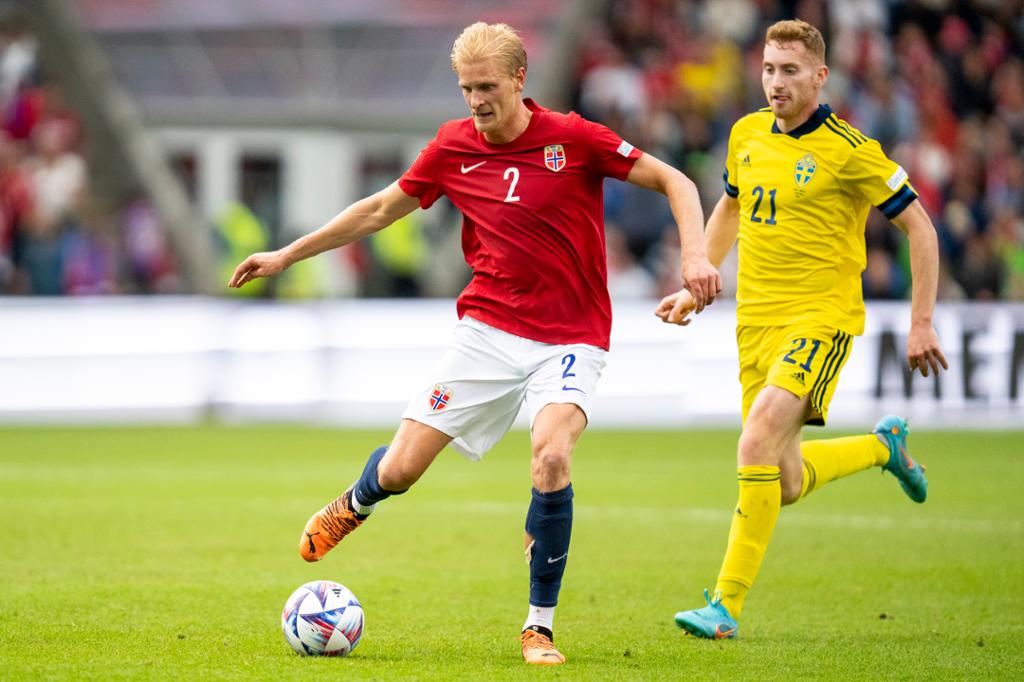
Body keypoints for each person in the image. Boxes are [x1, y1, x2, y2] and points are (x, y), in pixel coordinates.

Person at [229, 22, 721, 664]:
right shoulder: (453, 147)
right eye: (466, 89)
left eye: (487, 87)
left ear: (520, 80)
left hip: (571, 337)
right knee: (401, 470)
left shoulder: (573, 138)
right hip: (486, 332)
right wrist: (287, 256)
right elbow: (379, 210)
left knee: (551, 457)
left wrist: (693, 257)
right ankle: (355, 502)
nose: (476, 101)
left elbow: (678, 183)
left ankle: (538, 626)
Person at [655, 19, 948, 640]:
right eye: (768, 69)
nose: (775, 83)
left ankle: (725, 607)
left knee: (756, 441)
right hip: (754, 324)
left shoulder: (850, 150)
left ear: (820, 76)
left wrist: (921, 320)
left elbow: (920, 227)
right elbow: (731, 207)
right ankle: (882, 449)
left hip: (821, 319)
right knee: (782, 481)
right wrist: (695, 282)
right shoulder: (746, 134)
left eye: (790, 71)